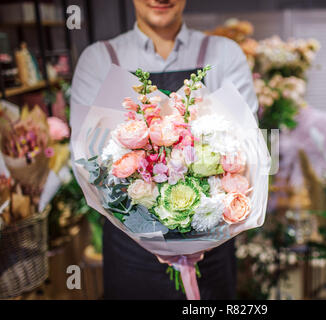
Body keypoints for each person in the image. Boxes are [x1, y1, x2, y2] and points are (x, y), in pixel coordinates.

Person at [70, 0, 257, 299]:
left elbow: (246, 147)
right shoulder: (100, 59)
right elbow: (86, 159)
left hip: (213, 244)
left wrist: (199, 236)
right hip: (129, 253)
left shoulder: (223, 53)